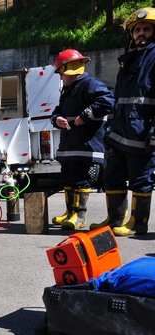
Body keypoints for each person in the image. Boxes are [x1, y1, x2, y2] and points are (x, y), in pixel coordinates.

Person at [90, 7, 155, 236]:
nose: (141, 33)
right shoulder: (129, 59)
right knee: (113, 175)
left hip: (141, 131)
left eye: (146, 29)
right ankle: (115, 219)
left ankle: (137, 223)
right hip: (120, 130)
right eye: (137, 30)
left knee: (140, 178)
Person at [50, 49, 114, 230]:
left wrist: (85, 115)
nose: (60, 77)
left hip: (84, 144)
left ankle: (79, 215)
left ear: (67, 69)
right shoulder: (68, 89)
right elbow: (58, 110)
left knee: (79, 179)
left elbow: (107, 101)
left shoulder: (89, 84)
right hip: (70, 143)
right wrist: (56, 119)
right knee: (67, 179)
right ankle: (70, 212)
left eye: (61, 73)